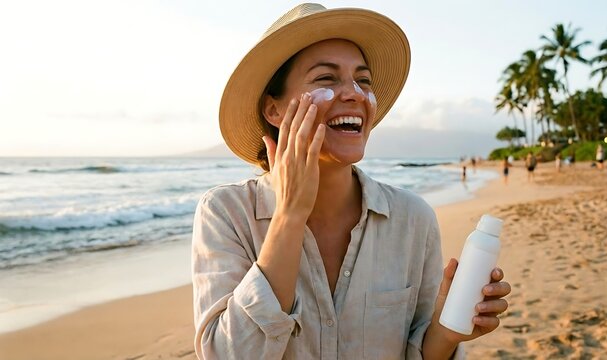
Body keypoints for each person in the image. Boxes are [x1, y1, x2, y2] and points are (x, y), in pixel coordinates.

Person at [191, 4, 510, 359]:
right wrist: (289, 217)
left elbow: (419, 351)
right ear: (274, 110)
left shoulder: (412, 218)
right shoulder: (226, 213)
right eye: (326, 79)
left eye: (364, 80)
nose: (355, 93)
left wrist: (446, 333)